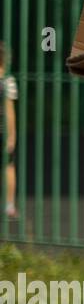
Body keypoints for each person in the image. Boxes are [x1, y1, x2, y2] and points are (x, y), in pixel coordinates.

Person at [1, 43, 16, 219]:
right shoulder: (7, 82)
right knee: (8, 167)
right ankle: (9, 206)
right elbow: (9, 111)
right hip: (3, 131)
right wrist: (12, 136)